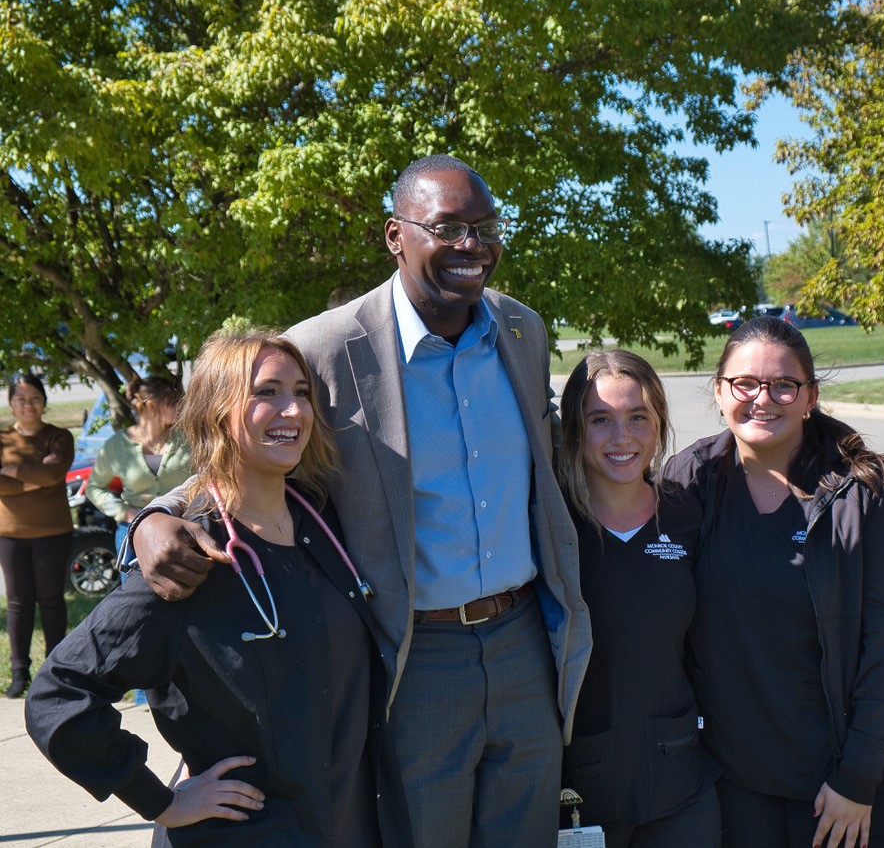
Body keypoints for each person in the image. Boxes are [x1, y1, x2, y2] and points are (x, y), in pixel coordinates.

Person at [131, 155, 590, 847]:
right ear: (394, 236)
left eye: (485, 226)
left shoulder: (521, 331)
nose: (472, 245)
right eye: (448, 228)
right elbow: (243, 453)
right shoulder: (327, 347)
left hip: (527, 641)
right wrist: (152, 520)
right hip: (415, 656)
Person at [26, 328, 404, 844]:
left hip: (343, 825)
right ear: (215, 413)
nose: (292, 411)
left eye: (301, 392)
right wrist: (160, 800)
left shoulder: (323, 522)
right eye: (265, 393)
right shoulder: (186, 560)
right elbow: (58, 693)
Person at [663, 316, 884, 848]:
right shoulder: (689, 479)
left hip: (847, 780)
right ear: (719, 391)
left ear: (810, 397)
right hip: (737, 779)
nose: (764, 399)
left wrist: (859, 776)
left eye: (784, 384)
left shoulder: (865, 489)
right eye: (745, 384)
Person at [555, 350, 720, 845]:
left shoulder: (688, 517)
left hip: (680, 781)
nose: (621, 438)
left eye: (637, 418)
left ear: (659, 425)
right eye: (600, 420)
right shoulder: (552, 529)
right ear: (574, 430)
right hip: (577, 790)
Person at [0, 373, 74, 699]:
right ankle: (19, 673)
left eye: (34, 398)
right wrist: (38, 477)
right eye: (20, 399)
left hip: (53, 532)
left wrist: (13, 471)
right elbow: (42, 477)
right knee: (18, 603)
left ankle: (54, 671)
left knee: (51, 601)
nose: (27, 405)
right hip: (9, 533)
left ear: (43, 401)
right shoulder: (2, 439)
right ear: (11, 403)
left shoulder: (59, 437)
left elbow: (55, 472)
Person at [87, 376, 192, 557]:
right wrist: (126, 512)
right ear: (152, 406)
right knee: (135, 586)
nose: (181, 407)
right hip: (134, 532)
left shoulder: (187, 439)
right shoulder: (116, 446)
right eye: (174, 403)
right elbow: (94, 487)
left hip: (183, 530)